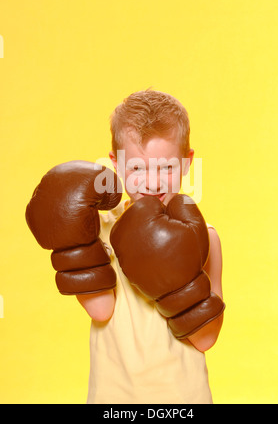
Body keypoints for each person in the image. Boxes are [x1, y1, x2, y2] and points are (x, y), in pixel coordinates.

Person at [76, 89, 225, 404]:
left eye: (166, 168)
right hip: (113, 399)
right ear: (115, 163)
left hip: (184, 398)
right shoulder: (100, 229)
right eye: (137, 168)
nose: (153, 182)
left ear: (187, 164)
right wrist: (72, 243)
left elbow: (206, 338)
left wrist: (177, 277)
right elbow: (100, 309)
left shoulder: (205, 237)